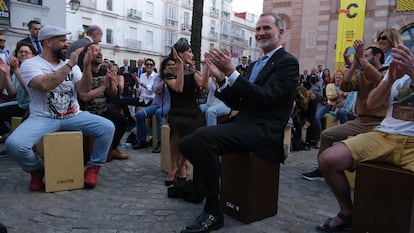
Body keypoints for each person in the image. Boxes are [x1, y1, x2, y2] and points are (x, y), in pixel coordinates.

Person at [177, 13, 299, 233]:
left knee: (204, 138)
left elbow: (265, 98)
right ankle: (202, 186)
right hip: (244, 123)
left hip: (264, 132)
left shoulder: (287, 63)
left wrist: (232, 73)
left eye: (266, 28)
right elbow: (242, 101)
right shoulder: (254, 65)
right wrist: (222, 80)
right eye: (258, 28)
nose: (260, 33)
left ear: (280, 32)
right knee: (186, 143)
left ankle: (213, 211)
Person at [315, 44, 414, 232]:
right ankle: (347, 213)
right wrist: (390, 79)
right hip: (384, 134)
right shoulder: (397, 69)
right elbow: (372, 102)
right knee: (328, 159)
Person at [5, 25, 115, 191]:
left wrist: (85, 68)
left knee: (107, 127)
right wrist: (70, 64)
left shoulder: (72, 65)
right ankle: (35, 170)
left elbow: (84, 90)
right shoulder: (30, 64)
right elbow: (45, 84)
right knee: (14, 144)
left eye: (66, 40)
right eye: (62, 40)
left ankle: (93, 169)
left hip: (73, 115)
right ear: (48, 42)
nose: (67, 44)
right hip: (42, 117)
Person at [302, 41, 387, 181]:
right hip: (361, 121)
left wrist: (363, 62)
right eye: (361, 55)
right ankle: (322, 171)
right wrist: (354, 65)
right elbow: (345, 86)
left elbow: (379, 82)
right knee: (326, 135)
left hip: (380, 123)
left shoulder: (387, 72)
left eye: (365, 55)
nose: (361, 57)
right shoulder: (361, 74)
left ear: (377, 56)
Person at [163, 37, 208, 186]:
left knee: (189, 140)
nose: (192, 54)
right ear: (179, 54)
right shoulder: (169, 71)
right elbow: (179, 88)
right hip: (176, 111)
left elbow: (204, 84)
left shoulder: (192, 70)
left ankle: (181, 165)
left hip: (192, 111)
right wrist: (181, 66)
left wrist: (207, 66)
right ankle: (173, 166)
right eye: (189, 51)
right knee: (175, 137)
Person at [77, 43, 128, 161]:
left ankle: (113, 149)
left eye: (100, 50)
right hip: (85, 111)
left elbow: (113, 94)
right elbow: (84, 97)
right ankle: (89, 154)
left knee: (122, 121)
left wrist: (111, 83)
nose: (99, 53)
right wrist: (103, 87)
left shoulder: (104, 71)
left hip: (102, 109)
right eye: (95, 50)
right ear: (87, 54)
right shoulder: (80, 71)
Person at [133, 57, 173, 153]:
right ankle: (142, 140)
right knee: (139, 115)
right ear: (164, 67)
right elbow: (155, 89)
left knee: (159, 113)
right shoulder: (159, 77)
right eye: (168, 65)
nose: (170, 67)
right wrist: (165, 80)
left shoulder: (176, 77)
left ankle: (160, 142)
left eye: (172, 65)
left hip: (169, 103)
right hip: (156, 103)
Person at [0, 42, 36, 143]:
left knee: (22, 130)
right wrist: (6, 74)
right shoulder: (18, 70)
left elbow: (30, 91)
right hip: (21, 105)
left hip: (33, 107)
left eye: (26, 52)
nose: (23, 54)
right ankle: (7, 135)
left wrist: (16, 69)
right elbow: (12, 93)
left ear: (33, 55)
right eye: (21, 52)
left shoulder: (34, 69)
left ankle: (13, 140)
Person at [121, 58, 157, 126]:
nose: (149, 66)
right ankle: (131, 120)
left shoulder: (157, 76)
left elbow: (152, 90)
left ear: (153, 66)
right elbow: (139, 89)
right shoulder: (142, 75)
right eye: (147, 64)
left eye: (151, 65)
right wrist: (137, 83)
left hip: (151, 100)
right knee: (122, 100)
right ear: (145, 66)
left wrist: (141, 83)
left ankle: (150, 129)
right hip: (142, 99)